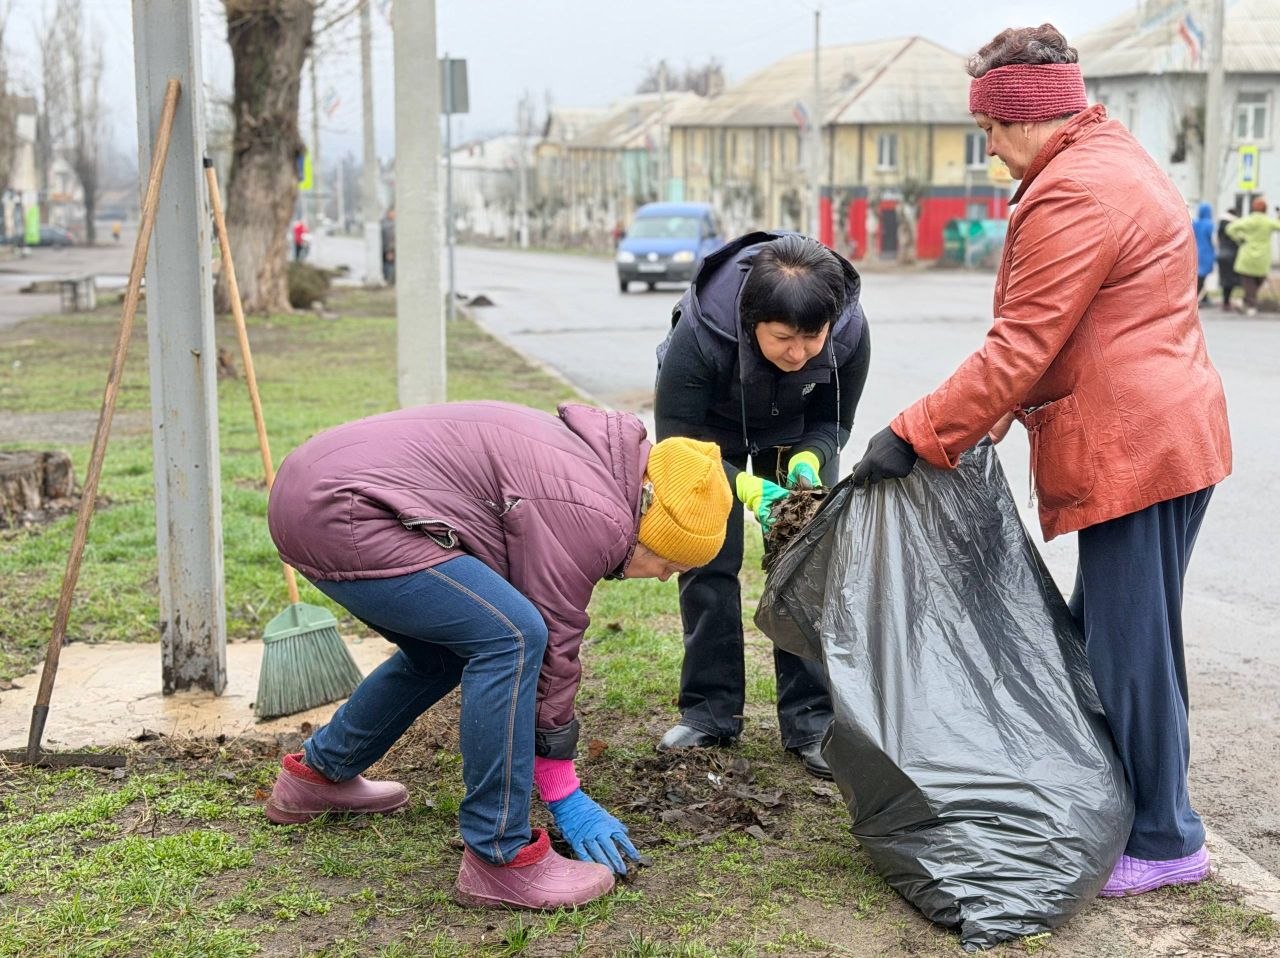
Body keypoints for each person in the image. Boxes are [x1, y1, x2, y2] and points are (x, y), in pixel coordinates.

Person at [851, 24, 1231, 898]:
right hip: (1172, 434)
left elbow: (1021, 346)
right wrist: (982, 423)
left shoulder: (1072, 195)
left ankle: (1169, 836)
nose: (988, 148)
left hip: (1135, 446)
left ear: (1028, 116)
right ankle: (1131, 807)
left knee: (1129, 652)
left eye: (990, 129)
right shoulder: (1112, 156)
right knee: (1119, 640)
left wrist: (914, 432)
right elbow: (1073, 336)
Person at [263, 401, 733, 909]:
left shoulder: (599, 464)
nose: (663, 577)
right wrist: (562, 791)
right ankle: (499, 856)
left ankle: (319, 775)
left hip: (312, 492)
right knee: (511, 637)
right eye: (667, 562)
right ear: (651, 526)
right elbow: (553, 643)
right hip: (342, 510)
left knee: (453, 645)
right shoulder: (597, 514)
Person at [653, 231, 871, 780]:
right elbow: (677, 446)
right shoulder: (702, 337)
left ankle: (811, 719)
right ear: (753, 322)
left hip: (793, 433)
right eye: (782, 339)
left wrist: (809, 461)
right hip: (709, 434)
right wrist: (741, 487)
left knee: (805, 568)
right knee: (708, 561)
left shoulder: (847, 335)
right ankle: (709, 711)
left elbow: (833, 422)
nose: (798, 354)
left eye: (810, 337)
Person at [1226, 197, 1280, 316]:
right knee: (1258, 281)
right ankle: (1249, 304)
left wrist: (1240, 238)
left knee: (1249, 283)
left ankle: (1247, 303)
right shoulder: (1268, 221)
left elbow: (1230, 228)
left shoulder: (1248, 220)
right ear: (1266, 209)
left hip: (1247, 255)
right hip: (1262, 257)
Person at [1216, 207, 1241, 311]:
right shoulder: (1233, 224)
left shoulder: (1221, 223)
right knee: (1230, 280)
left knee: (1224, 279)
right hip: (1231, 254)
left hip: (1221, 253)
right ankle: (1226, 302)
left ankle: (1225, 301)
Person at [1193, 202, 1215, 303]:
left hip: (1196, 252)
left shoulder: (1195, 223)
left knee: (1198, 275)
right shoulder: (1210, 224)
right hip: (1207, 252)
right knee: (1202, 277)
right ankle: (1198, 298)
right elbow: (1213, 239)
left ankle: (1203, 297)